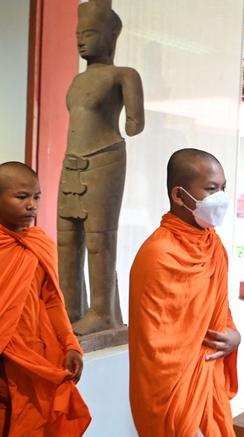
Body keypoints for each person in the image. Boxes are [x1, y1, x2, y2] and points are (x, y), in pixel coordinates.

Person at [129, 149, 244, 437]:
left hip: (207, 391)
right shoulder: (158, 255)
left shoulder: (213, 245)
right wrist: (187, 433)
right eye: (211, 189)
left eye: (223, 188)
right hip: (173, 409)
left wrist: (235, 336)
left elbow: (219, 313)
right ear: (179, 195)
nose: (221, 198)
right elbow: (155, 359)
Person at [0, 162, 91, 437]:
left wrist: (70, 344)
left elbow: (53, 300)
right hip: (4, 365)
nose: (31, 206)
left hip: (38, 364)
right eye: (21, 197)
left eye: (36, 197)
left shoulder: (40, 243)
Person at [58, 0, 145, 336]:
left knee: (99, 239)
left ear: (111, 37)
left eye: (89, 33)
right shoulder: (78, 80)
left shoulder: (122, 76)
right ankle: (69, 308)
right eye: (79, 34)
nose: (81, 40)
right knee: (66, 240)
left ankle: (102, 312)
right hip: (71, 161)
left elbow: (135, 122)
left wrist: (134, 114)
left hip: (105, 158)